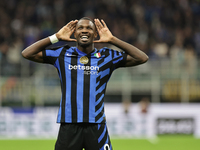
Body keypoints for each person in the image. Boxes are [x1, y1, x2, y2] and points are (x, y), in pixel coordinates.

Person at [21, 17, 148, 150]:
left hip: (96, 126)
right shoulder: (62, 53)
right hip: (69, 126)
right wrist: (56, 37)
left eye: (89, 28)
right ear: (74, 34)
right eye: (80, 28)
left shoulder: (106, 56)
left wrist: (113, 39)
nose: (84, 31)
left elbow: (142, 58)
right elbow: (27, 53)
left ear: (95, 34)